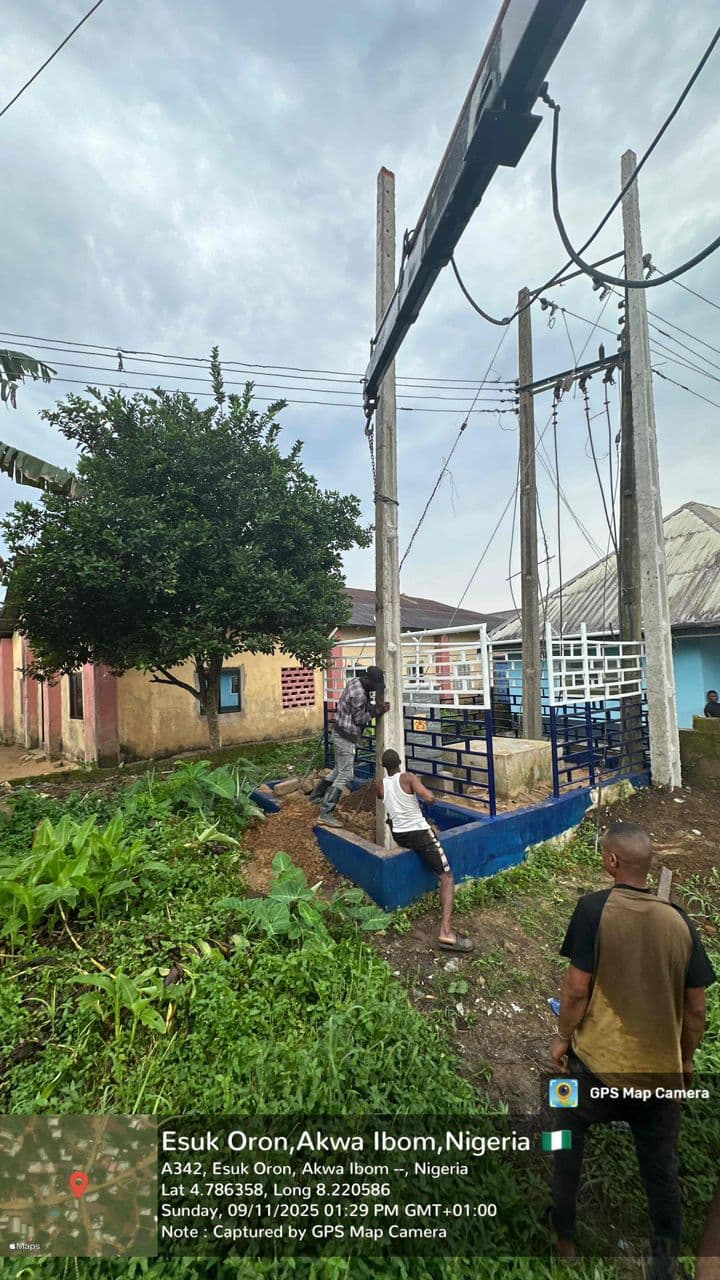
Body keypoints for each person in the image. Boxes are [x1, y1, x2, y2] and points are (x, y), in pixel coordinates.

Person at [549, 821, 716, 1277]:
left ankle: (563, 1236)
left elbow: (576, 989)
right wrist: (683, 1061)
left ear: (612, 862)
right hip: (660, 1081)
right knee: (662, 1172)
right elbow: (697, 1009)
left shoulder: (592, 910)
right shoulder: (680, 922)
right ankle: (663, 1264)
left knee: (562, 1134)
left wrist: (563, 1037)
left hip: (594, 1068)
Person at [375, 748, 473, 953]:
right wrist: (425, 794)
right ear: (400, 762)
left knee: (426, 836)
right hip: (419, 832)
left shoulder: (381, 785)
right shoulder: (408, 777)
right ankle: (446, 932)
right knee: (446, 876)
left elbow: (384, 799)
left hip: (400, 835)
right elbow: (429, 798)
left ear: (385, 768)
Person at [310, 665, 389, 826]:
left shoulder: (356, 681)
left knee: (338, 770)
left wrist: (372, 708)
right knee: (345, 774)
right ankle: (326, 813)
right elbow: (359, 719)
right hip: (346, 736)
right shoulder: (360, 694)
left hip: (338, 732)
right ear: (369, 681)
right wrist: (377, 711)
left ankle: (316, 796)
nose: (375, 689)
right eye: (375, 686)